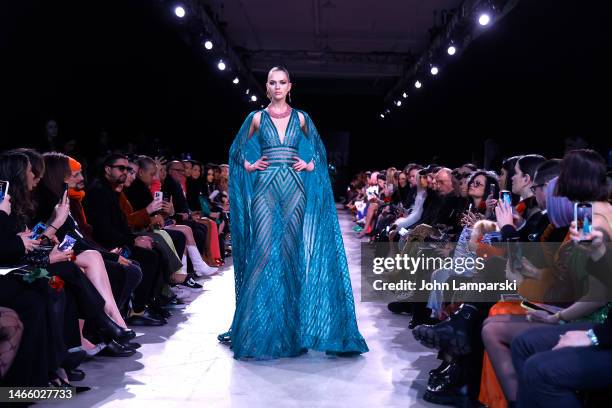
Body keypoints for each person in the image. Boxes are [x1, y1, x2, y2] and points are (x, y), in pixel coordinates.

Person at [221, 66, 368, 359]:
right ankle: (252, 330)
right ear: (267, 87)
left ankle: (290, 329)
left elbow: (319, 150)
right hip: (265, 187)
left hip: (294, 189)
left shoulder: (301, 118)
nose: (277, 87)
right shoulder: (256, 118)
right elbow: (236, 152)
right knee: (262, 252)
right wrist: (250, 166)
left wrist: (311, 164)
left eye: (282, 82)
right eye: (272, 83)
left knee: (290, 254)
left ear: (290, 86)